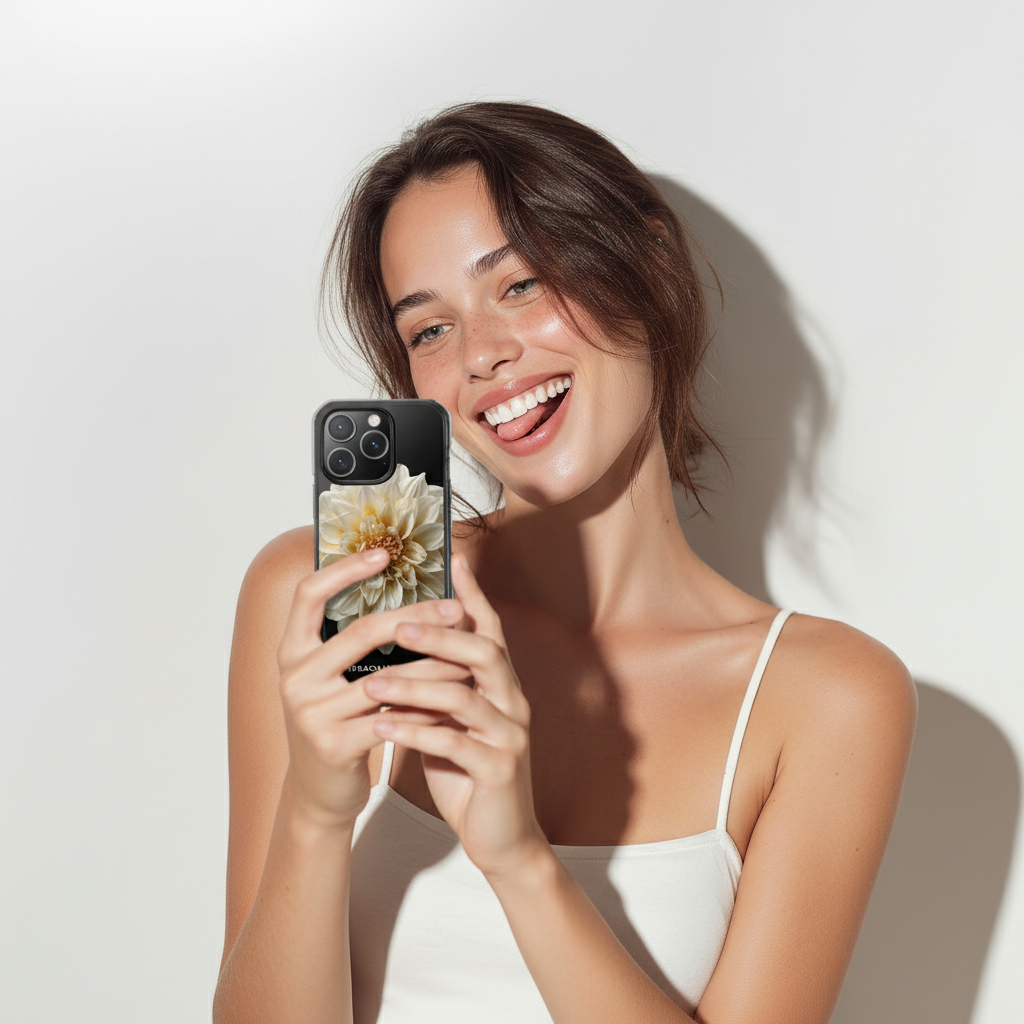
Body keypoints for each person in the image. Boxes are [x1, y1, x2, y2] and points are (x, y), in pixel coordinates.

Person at [212, 102, 916, 1024]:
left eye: (522, 285)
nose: (484, 356)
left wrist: (518, 859)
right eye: (429, 330)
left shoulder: (824, 698)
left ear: (649, 266)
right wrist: (314, 811)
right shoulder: (323, 602)